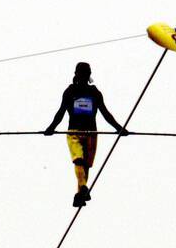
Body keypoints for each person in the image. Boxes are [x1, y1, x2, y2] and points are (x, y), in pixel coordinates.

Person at [44, 61, 128, 207]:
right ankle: (83, 187)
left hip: (91, 133)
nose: (83, 76)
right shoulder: (70, 91)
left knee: (85, 165)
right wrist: (51, 128)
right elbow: (61, 112)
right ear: (76, 75)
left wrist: (119, 128)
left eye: (86, 74)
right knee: (79, 160)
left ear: (88, 75)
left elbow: (105, 113)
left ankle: (79, 194)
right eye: (82, 73)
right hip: (75, 132)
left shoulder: (94, 93)